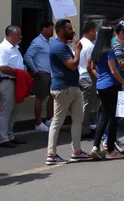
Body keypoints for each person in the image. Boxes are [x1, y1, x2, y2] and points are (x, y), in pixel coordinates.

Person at [47, 19, 92, 165]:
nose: (72, 31)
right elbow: (72, 65)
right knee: (57, 121)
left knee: (77, 119)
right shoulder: (58, 47)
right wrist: (78, 49)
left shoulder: (62, 45)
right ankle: (51, 155)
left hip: (73, 87)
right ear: (60, 31)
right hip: (63, 88)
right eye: (68, 29)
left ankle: (76, 151)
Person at [88, 27, 124, 160]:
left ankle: (95, 146)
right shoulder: (109, 51)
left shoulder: (95, 51)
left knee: (104, 116)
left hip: (101, 86)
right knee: (114, 118)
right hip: (111, 85)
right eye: (113, 34)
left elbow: (90, 67)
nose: (114, 36)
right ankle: (110, 150)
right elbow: (114, 71)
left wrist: (100, 78)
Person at [0, 25, 27, 148]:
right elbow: (3, 67)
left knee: (14, 110)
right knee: (5, 111)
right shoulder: (3, 48)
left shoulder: (15, 48)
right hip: (6, 82)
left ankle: (10, 135)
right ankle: (3, 139)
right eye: (18, 34)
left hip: (15, 82)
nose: (20, 37)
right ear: (10, 35)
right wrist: (19, 74)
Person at [24, 21, 55, 132]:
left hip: (51, 73)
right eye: (51, 29)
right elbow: (28, 56)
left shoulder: (50, 42)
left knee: (52, 96)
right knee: (40, 98)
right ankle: (38, 123)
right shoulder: (37, 42)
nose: (52, 31)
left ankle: (49, 118)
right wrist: (36, 71)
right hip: (42, 74)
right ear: (44, 29)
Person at [78, 21, 98, 138]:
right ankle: (85, 129)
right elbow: (90, 66)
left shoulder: (79, 43)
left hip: (81, 77)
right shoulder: (90, 46)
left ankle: (88, 127)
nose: (95, 34)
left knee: (86, 104)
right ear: (90, 31)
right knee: (88, 105)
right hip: (88, 78)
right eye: (95, 31)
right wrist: (95, 78)